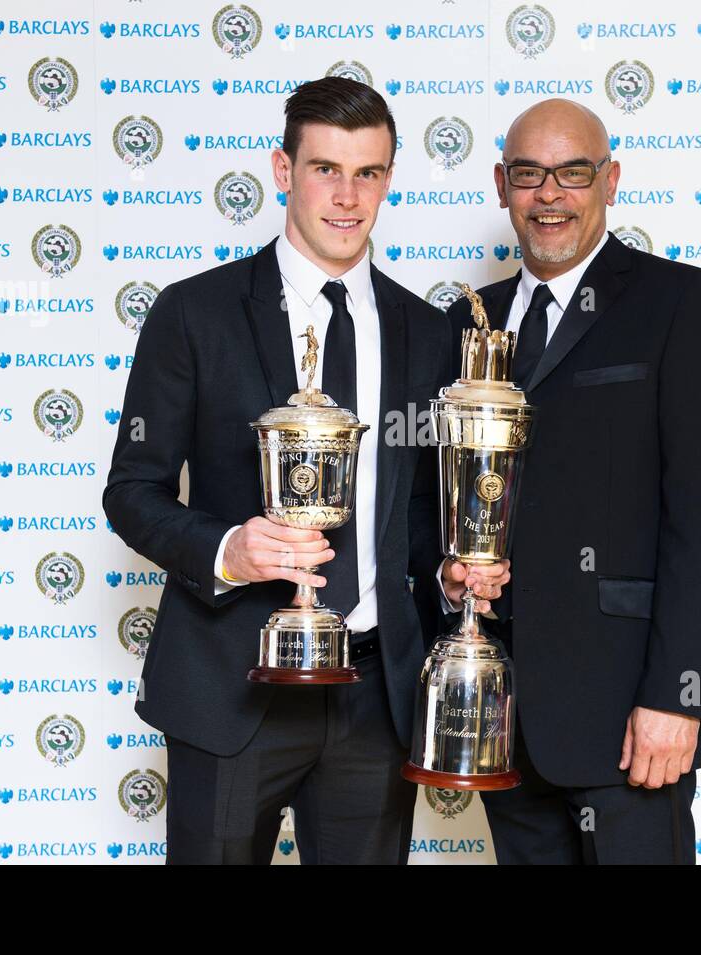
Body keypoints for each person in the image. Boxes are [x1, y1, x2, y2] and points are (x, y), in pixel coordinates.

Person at [103, 77, 504, 864]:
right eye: (326, 169)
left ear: (389, 178)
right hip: (232, 680)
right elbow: (131, 491)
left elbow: (415, 511)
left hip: (372, 693)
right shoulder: (195, 313)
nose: (347, 196)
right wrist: (228, 549)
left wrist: (449, 571)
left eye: (368, 173)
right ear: (284, 171)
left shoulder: (426, 330)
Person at [442, 99, 701, 864]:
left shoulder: (680, 302)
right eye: (527, 174)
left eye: (572, 172)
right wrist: (449, 573)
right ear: (500, 185)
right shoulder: (462, 327)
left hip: (629, 719)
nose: (550, 194)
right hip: (504, 720)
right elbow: (429, 502)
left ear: (609, 179)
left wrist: (677, 696)